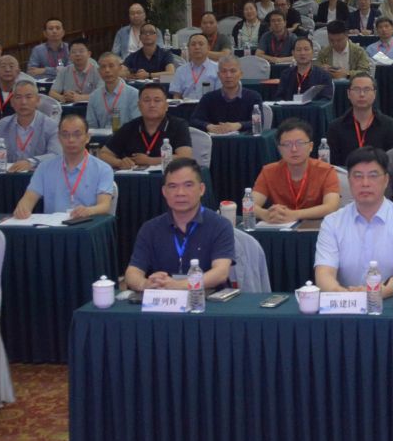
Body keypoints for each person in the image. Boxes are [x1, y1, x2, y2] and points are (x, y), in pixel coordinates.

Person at [312, 148, 393, 299]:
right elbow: (324, 274)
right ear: (349, 181)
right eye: (358, 176)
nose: (365, 183)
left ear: (386, 180)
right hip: (347, 303)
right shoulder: (332, 222)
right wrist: (344, 295)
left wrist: (373, 293)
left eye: (373, 176)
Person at [123, 156, 233, 293]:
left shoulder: (220, 225)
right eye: (173, 186)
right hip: (164, 301)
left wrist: (178, 285)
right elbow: (132, 273)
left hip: (207, 300)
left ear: (201, 189)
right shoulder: (150, 228)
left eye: (188, 185)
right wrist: (145, 284)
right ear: (164, 192)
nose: (180, 193)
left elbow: (221, 273)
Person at [12, 113, 116, 220]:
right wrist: (22, 209)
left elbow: (104, 206)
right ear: (59, 138)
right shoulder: (44, 167)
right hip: (53, 227)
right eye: (65, 135)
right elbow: (28, 199)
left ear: (87, 137)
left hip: (87, 224)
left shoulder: (103, 169)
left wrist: (88, 211)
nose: (71, 140)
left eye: (77, 135)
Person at [249, 119, 343, 224]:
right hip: (280, 228)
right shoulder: (269, 171)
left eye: (300, 143)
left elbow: (331, 207)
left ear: (311, 147)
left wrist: (294, 214)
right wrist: (265, 214)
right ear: (280, 149)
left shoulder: (326, 171)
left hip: (316, 229)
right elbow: (249, 204)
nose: (294, 149)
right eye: (287, 144)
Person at [0, 80, 58, 174]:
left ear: (37, 101)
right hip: (10, 177)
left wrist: (31, 162)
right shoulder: (3, 124)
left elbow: (56, 155)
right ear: (12, 102)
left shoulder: (51, 125)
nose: (23, 102)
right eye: (18, 97)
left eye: (28, 97)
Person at [98, 83, 191, 170]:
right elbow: (103, 154)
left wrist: (150, 161)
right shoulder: (130, 127)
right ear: (139, 106)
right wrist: (119, 163)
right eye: (147, 100)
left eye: (157, 100)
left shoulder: (179, 125)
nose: (152, 105)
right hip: (135, 179)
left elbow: (185, 157)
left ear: (166, 106)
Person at [193, 55, 265, 134]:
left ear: (241, 74)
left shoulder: (253, 97)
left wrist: (239, 125)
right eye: (224, 71)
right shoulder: (208, 98)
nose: (228, 75)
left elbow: (259, 122)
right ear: (218, 75)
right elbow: (194, 120)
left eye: (233, 71)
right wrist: (209, 126)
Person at [87, 53, 137, 133]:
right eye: (103, 67)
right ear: (99, 71)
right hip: (100, 139)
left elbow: (136, 125)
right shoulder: (94, 97)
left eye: (111, 66)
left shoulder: (134, 94)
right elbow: (91, 127)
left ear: (120, 68)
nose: (107, 70)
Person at [277, 36, 334, 102]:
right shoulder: (286, 74)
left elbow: (326, 100)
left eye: (306, 49)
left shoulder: (323, 76)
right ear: (293, 53)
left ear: (312, 53)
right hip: (289, 108)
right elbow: (278, 98)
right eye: (298, 50)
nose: (302, 53)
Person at [169, 32, 219, 101]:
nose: (197, 47)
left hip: (210, 106)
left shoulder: (217, 69)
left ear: (208, 48)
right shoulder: (180, 70)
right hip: (186, 106)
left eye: (201, 44)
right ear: (188, 48)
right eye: (193, 44)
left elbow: (221, 95)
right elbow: (176, 96)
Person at [52, 39, 102, 104]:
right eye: (73, 52)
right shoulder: (64, 71)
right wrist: (62, 97)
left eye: (81, 51)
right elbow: (52, 92)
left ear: (89, 54)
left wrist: (80, 97)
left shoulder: (99, 71)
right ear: (69, 56)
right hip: (70, 108)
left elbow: (101, 95)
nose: (77, 54)